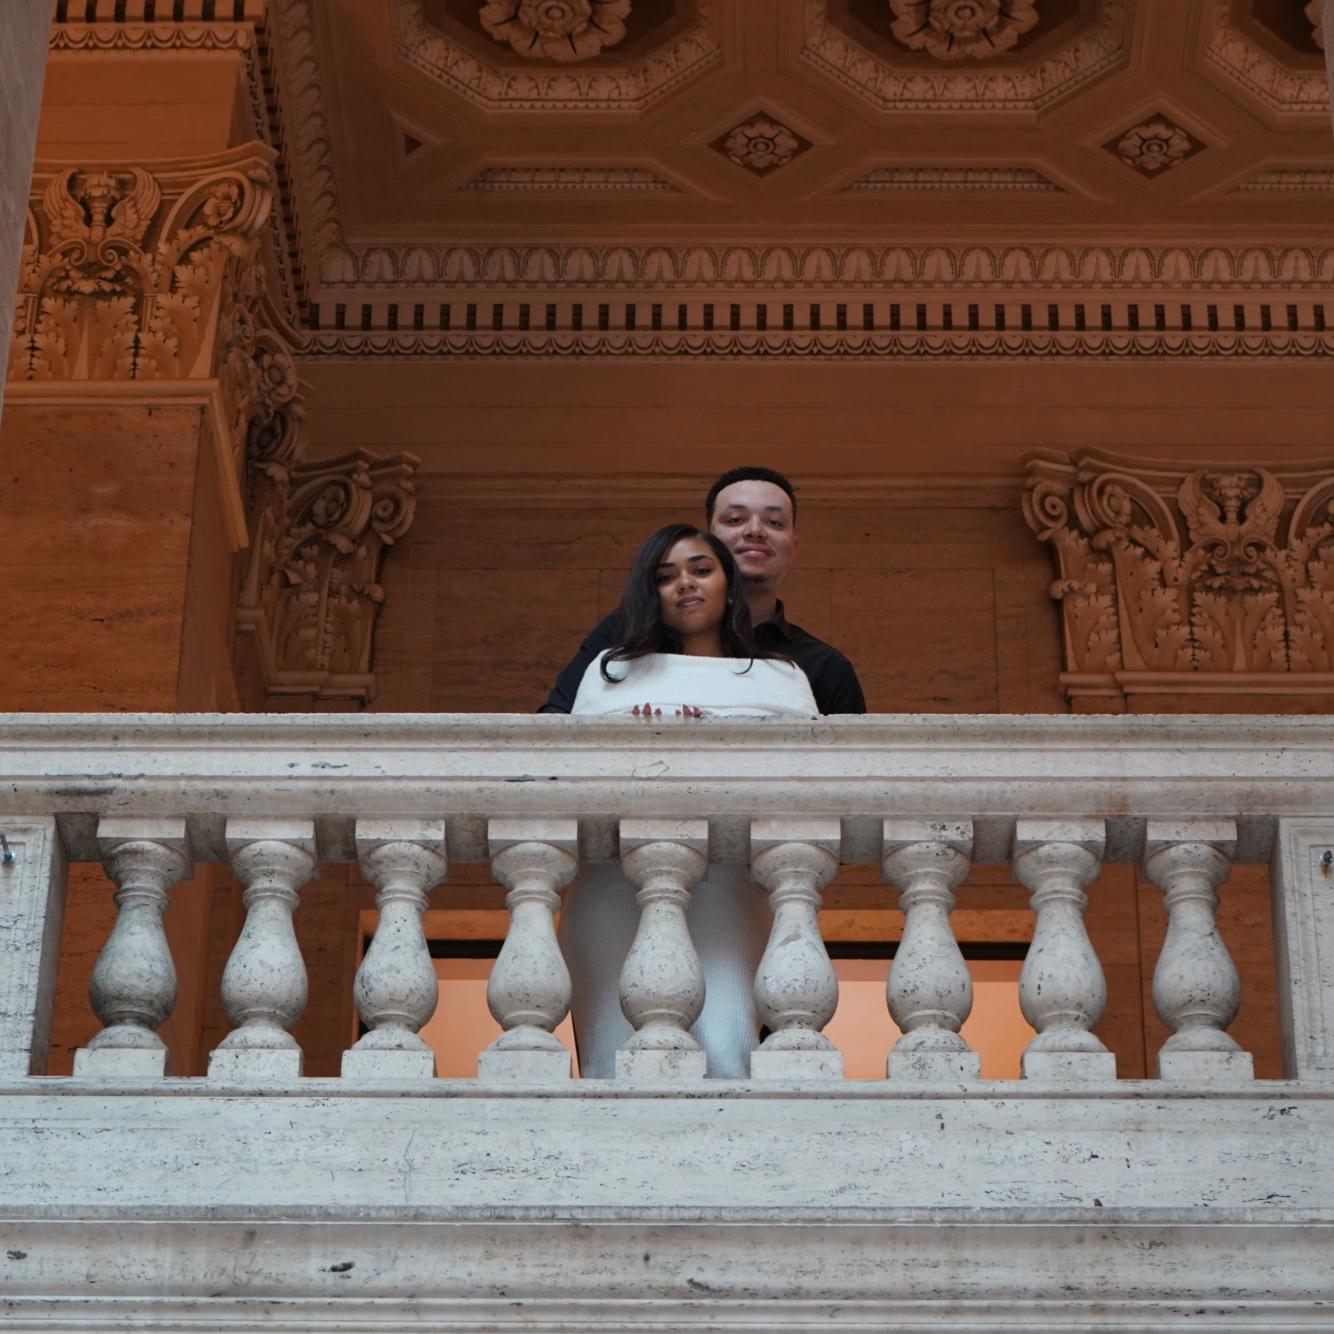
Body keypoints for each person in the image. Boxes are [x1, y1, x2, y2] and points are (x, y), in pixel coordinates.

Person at [561, 524, 819, 1079]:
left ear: (729, 584)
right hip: (611, 884)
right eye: (666, 576)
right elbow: (573, 774)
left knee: (726, 1049)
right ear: (648, 592)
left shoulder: (781, 677)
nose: (685, 584)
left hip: (731, 883)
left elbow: (806, 786)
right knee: (615, 1058)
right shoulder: (610, 673)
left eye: (701, 570)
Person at [541, 465, 865, 716]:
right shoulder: (622, 638)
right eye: (735, 519)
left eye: (774, 523)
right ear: (709, 539)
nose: (755, 531)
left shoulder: (817, 669)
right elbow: (554, 727)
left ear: (793, 547)